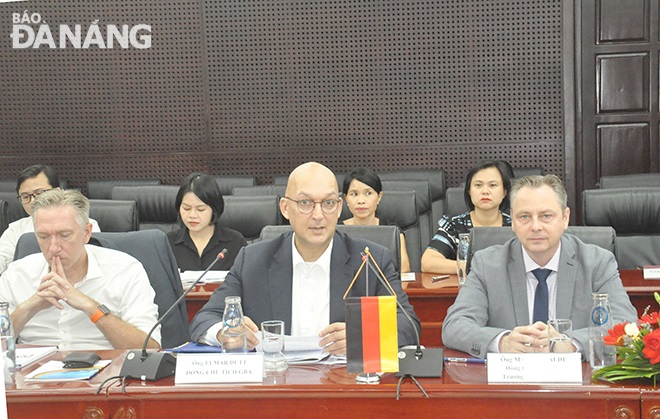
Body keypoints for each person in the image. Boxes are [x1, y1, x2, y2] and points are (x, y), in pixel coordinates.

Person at [190, 162, 420, 355]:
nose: (318, 215)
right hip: (274, 387)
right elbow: (205, 319)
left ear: (339, 207)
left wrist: (364, 336)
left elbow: (408, 324)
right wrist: (225, 332)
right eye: (305, 203)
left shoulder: (371, 260)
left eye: (328, 203)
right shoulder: (253, 260)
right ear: (285, 208)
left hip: (343, 387)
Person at [441, 175, 637, 359]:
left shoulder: (597, 263)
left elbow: (626, 325)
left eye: (546, 216)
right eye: (524, 217)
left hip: (577, 384)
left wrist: (570, 344)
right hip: (511, 384)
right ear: (513, 221)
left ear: (565, 218)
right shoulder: (487, 264)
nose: (535, 226)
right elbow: (455, 326)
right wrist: (502, 342)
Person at [0, 189, 160, 350]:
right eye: (44, 237)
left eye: (64, 235)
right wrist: (28, 307)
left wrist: (91, 307)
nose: (53, 247)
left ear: (86, 233)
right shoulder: (16, 275)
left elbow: (148, 348)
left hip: (107, 370)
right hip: (30, 371)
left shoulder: (125, 270)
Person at [0, 165, 100, 274]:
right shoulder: (15, 229)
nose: (33, 201)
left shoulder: (84, 225)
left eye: (39, 193)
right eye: (25, 197)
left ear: (57, 191)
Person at [421, 160, 512, 274]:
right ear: (469, 191)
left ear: (504, 192)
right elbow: (428, 262)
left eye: (492, 185)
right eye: (478, 185)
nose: (485, 191)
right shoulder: (455, 225)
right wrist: (471, 267)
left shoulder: (515, 226)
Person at [167, 173, 247, 271]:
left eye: (200, 209)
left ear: (214, 209)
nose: (192, 215)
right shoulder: (167, 244)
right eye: (186, 208)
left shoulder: (236, 242)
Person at [341, 167, 411, 272]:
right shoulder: (336, 231)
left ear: (379, 197)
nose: (361, 201)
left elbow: (404, 269)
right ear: (346, 198)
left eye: (368, 193)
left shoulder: (393, 231)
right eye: (354, 194)